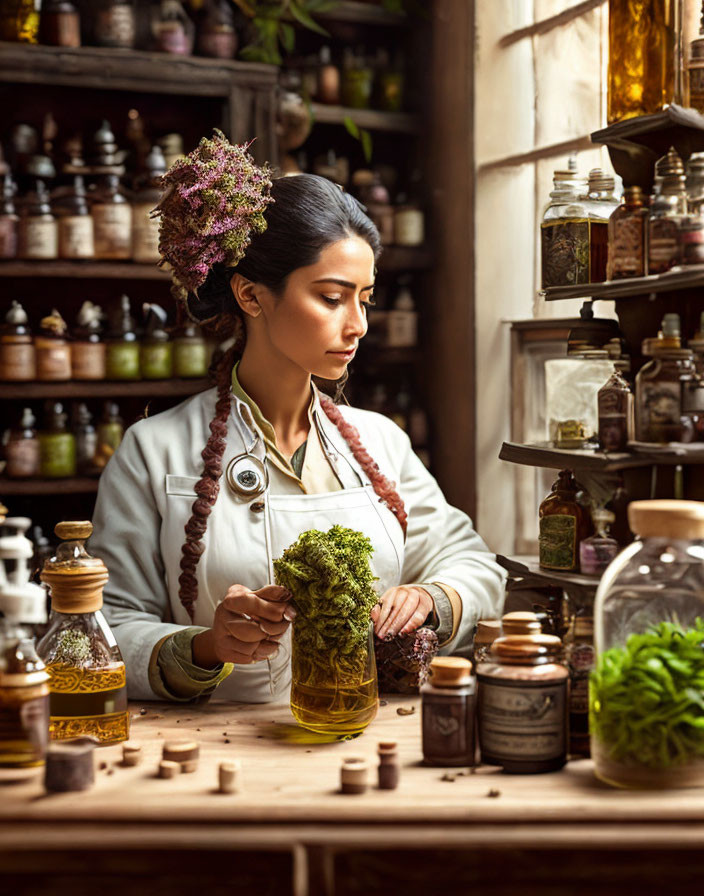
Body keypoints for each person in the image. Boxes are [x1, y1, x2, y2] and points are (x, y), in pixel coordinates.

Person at [90, 132, 506, 703]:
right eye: (332, 298)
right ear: (252, 296)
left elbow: (477, 567)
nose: (357, 324)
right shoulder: (153, 450)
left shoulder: (382, 442)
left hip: (368, 736)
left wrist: (435, 599)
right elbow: (102, 629)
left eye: (366, 298)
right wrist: (208, 646)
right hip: (218, 753)